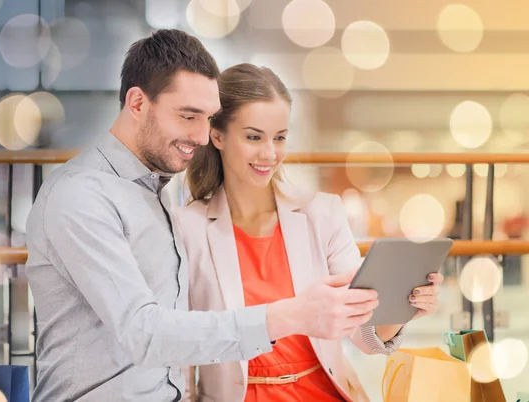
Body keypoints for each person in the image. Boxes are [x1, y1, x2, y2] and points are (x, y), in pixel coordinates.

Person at [24, 30, 380, 402]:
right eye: (188, 116)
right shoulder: (82, 195)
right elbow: (145, 334)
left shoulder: (151, 194)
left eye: (207, 119)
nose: (201, 136)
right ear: (137, 103)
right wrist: (290, 315)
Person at [176, 63, 444, 402]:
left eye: (280, 137)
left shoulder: (323, 214)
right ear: (218, 135)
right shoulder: (188, 228)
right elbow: (180, 350)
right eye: (254, 137)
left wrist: (402, 309)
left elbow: (364, 336)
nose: (269, 154)